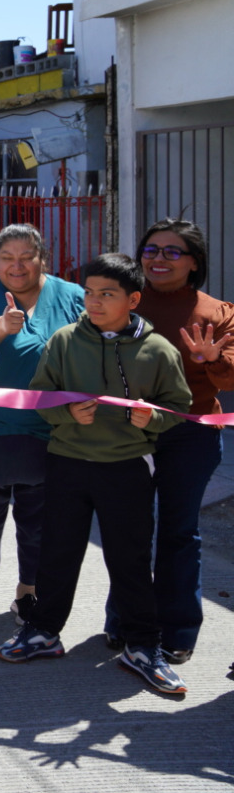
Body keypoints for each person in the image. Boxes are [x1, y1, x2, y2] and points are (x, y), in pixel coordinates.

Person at [0, 253, 194, 698]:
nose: (96, 302)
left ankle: (143, 646)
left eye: (108, 294)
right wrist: (66, 413)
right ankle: (43, 632)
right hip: (67, 462)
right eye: (89, 293)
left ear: (133, 299)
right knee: (57, 554)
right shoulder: (65, 341)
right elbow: (38, 397)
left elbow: (178, 407)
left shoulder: (158, 350)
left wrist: (153, 421)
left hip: (127, 469)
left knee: (130, 560)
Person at [115, 219, 234, 662]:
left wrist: (211, 358)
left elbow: (232, 374)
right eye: (150, 250)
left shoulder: (219, 312)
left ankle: (179, 630)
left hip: (191, 436)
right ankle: (124, 622)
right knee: (127, 530)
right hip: (127, 432)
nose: (158, 259)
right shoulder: (121, 303)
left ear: (194, 262)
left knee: (179, 533)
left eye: (171, 252)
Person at [0, 225, 83, 622]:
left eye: (26, 257)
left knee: (40, 520)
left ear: (43, 257)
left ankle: (28, 590)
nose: (17, 266)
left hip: (49, 431)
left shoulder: (72, 297)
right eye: (7, 257)